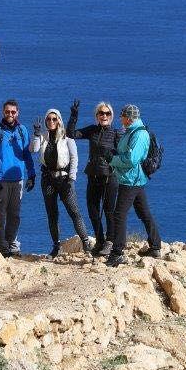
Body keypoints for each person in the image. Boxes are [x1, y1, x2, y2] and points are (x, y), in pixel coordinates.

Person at [31, 108, 93, 258]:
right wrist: (36, 134)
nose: (51, 121)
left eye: (54, 119)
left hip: (64, 179)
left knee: (74, 211)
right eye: (48, 119)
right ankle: (56, 245)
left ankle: (85, 242)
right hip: (48, 179)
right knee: (52, 214)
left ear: (59, 120)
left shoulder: (67, 136)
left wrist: (72, 179)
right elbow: (34, 149)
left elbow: (74, 158)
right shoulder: (43, 136)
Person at [106, 104, 162, 267]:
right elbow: (127, 154)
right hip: (134, 179)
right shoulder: (131, 131)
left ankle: (117, 252)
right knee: (144, 212)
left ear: (129, 118)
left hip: (131, 180)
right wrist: (116, 155)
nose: (120, 118)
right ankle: (155, 246)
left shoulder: (139, 134)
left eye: (122, 116)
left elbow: (132, 160)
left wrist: (112, 160)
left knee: (119, 215)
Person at [66, 99, 123, 258]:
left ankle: (110, 242)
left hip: (109, 177)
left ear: (111, 116)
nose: (104, 115)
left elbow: (124, 154)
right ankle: (100, 240)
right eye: (101, 113)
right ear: (97, 115)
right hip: (92, 174)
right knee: (92, 210)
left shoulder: (116, 133)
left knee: (109, 211)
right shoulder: (92, 130)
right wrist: (74, 115)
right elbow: (71, 134)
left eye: (107, 113)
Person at [0, 99, 35, 257]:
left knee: (14, 215)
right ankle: (1, 246)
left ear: (17, 113)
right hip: (1, 180)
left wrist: (32, 174)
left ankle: (10, 243)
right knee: (0, 214)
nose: (10, 114)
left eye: (13, 112)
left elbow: (27, 154)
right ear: (3, 112)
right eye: (7, 112)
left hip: (18, 179)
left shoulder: (22, 130)